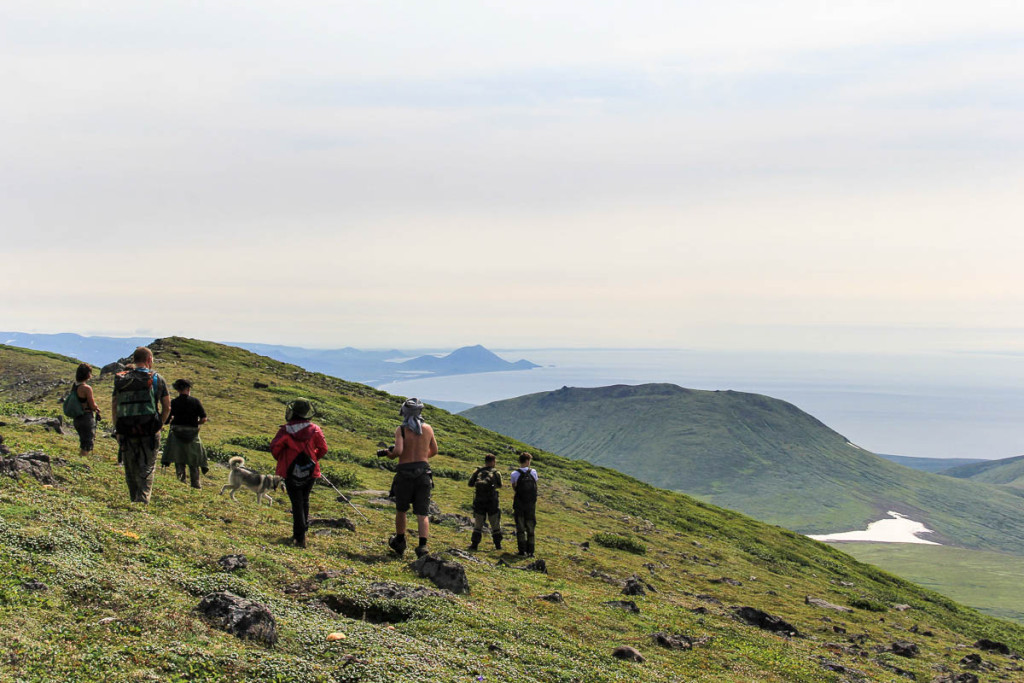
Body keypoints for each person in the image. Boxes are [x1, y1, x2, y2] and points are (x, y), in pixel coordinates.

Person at [377, 398, 437, 558]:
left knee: (401, 509)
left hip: (404, 473)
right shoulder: (428, 429)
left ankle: (400, 541)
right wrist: (422, 457)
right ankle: (422, 547)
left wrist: (389, 455)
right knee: (422, 513)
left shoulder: (401, 430)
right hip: (423, 473)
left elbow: (398, 451)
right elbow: (434, 450)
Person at [111, 347, 171, 504]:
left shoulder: (122, 379)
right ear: (149, 360)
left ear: (134, 360)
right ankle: (142, 500)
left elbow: (115, 404)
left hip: (126, 429)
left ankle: (134, 498)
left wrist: (117, 428)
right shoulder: (157, 378)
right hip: (149, 430)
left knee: (130, 467)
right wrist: (160, 425)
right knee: (147, 466)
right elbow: (167, 407)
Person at [270, 398, 328, 548]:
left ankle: (299, 537)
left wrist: (283, 458)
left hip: (290, 471)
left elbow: (275, 448)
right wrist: (313, 457)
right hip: (310, 470)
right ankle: (303, 529)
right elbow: (323, 449)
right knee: (305, 499)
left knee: (296, 503)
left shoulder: (285, 430)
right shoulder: (315, 429)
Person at [161, 378, 209, 489]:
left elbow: (167, 419)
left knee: (179, 459)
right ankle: (196, 485)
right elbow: (204, 418)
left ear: (178, 390)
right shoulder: (195, 401)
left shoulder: (174, 402)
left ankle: (181, 482)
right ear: (188, 389)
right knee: (194, 460)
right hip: (192, 433)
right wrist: (196, 423)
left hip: (177, 433)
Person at [467, 453, 503, 551]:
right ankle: (498, 545)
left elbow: (470, 484)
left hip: (479, 501)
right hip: (492, 502)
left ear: (485, 461)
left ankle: (474, 544)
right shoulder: (496, 473)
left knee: (478, 524)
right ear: (493, 462)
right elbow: (500, 485)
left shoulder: (478, 471)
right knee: (495, 523)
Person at [70, 363, 102, 457]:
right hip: (86, 417)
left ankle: (81, 459)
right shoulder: (86, 388)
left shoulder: (75, 386)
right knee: (87, 443)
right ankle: (82, 462)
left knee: (83, 441)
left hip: (77, 418)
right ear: (88, 374)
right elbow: (92, 405)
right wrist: (96, 408)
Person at [511, 452, 539, 557]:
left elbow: (514, 487)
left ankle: (521, 550)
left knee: (520, 528)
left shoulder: (514, 474)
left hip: (519, 504)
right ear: (527, 461)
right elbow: (535, 485)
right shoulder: (533, 472)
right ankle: (531, 551)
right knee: (531, 528)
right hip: (530, 506)